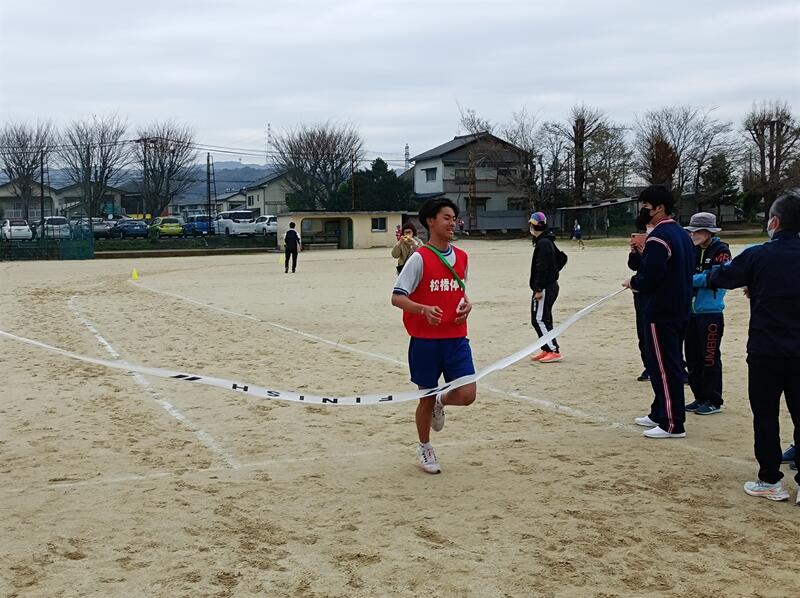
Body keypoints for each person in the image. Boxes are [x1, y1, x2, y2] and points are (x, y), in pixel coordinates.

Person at [707, 192, 800, 503]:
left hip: (766, 350)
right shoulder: (760, 258)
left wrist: (758, 283)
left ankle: (770, 479)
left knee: (766, 415)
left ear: (774, 222)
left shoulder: (758, 255)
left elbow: (721, 276)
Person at [391, 198, 476, 474]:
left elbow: (460, 292)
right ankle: (425, 446)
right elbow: (396, 297)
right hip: (425, 342)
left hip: (456, 338)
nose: (453, 223)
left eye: (454, 218)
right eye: (446, 218)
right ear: (431, 221)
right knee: (424, 399)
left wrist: (467, 305)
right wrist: (423, 309)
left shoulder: (462, 257)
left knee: (467, 394)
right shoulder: (419, 258)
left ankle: (443, 400)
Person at [623, 185, 694, 439]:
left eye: (645, 206)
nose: (642, 211)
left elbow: (651, 277)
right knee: (659, 363)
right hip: (678, 307)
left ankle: (673, 423)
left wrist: (633, 282)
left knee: (666, 365)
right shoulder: (681, 234)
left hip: (662, 311)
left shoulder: (660, 237)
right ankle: (659, 411)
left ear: (659, 207)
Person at [683, 212, 731, 416]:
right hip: (690, 312)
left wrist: (689, 279)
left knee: (709, 357)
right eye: (692, 230)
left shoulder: (721, 250)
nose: (694, 234)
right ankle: (700, 396)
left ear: (709, 232)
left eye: (699, 231)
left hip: (710, 312)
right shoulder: (690, 251)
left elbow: (716, 276)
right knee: (692, 357)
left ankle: (713, 399)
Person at [528, 212, 562, 363]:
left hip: (546, 287)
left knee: (539, 319)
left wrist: (539, 288)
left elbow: (542, 267)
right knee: (543, 318)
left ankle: (553, 349)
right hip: (548, 285)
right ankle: (546, 347)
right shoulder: (546, 241)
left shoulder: (544, 243)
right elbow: (562, 258)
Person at [627, 225, 650, 382]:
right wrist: (634, 253)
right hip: (640, 293)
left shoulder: (659, 243)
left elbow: (653, 268)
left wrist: (644, 254)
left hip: (654, 293)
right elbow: (634, 266)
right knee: (642, 333)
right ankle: (648, 366)